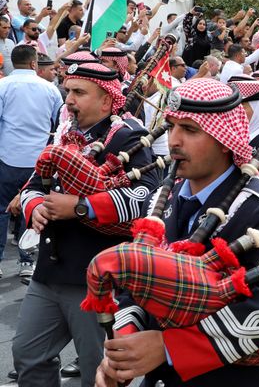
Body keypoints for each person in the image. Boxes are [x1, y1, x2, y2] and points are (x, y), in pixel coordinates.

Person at [96, 78, 259, 387]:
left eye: (190, 130)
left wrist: (168, 348)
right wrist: (127, 346)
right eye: (171, 127)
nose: (174, 141)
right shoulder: (163, 199)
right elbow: (140, 278)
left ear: (225, 139)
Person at [13, 62, 157, 386]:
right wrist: (35, 207)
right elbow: (35, 184)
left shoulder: (127, 138)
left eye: (79, 92)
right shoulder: (67, 135)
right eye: (68, 92)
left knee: (99, 371)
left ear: (106, 100)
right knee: (27, 356)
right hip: (48, 274)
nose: (69, 100)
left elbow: (145, 197)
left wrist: (81, 207)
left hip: (97, 279)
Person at [0, 45, 62, 279]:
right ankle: (26, 262)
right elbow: (58, 125)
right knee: (30, 207)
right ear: (34, 63)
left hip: (8, 157)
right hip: (38, 162)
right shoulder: (50, 89)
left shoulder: (3, 86)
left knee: (1, 211)